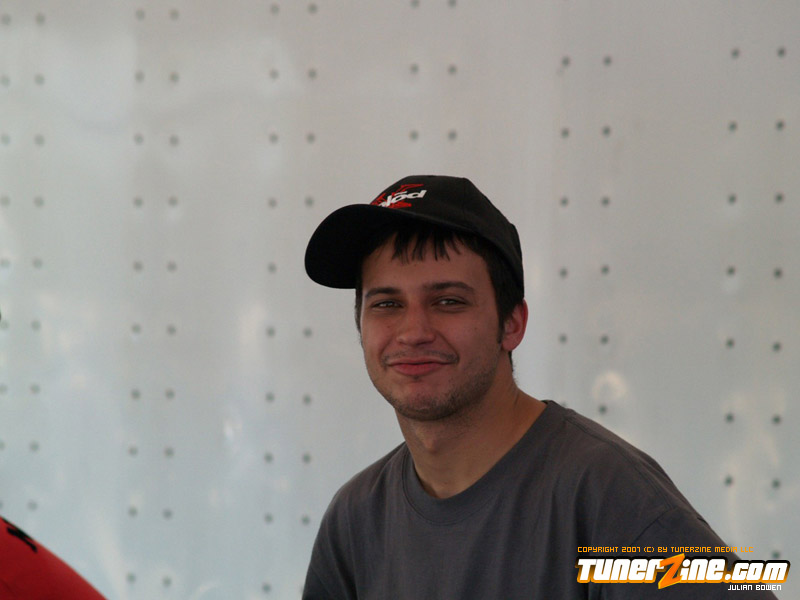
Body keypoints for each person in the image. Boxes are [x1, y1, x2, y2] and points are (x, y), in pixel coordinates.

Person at [301, 175, 778, 598]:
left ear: (512, 324)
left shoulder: (608, 496)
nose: (413, 332)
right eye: (386, 304)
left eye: (448, 301)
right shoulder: (355, 520)